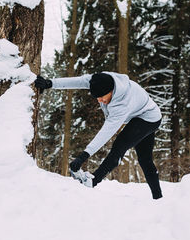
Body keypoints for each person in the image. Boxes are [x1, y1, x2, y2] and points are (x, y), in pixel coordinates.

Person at [35, 72, 163, 199]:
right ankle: (158, 199)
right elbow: (78, 81)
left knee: (120, 145)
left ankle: (93, 181)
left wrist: (83, 155)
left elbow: (106, 132)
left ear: (111, 90)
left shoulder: (122, 104)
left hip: (149, 118)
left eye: (102, 97)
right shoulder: (101, 79)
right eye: (97, 98)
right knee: (145, 160)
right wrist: (50, 83)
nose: (100, 101)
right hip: (138, 113)